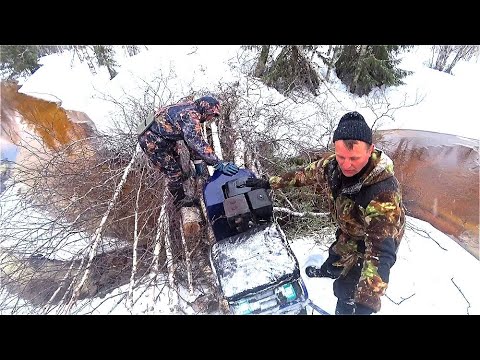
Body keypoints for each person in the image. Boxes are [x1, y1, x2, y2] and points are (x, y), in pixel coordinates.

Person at [243, 111, 405, 315]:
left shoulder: (382, 194)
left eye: (354, 158)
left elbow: (380, 254)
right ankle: (330, 269)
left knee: (348, 287)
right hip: (351, 227)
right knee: (337, 254)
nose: (346, 165)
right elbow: (303, 174)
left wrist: (365, 304)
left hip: (376, 237)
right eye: (341, 156)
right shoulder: (332, 166)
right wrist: (268, 183)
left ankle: (346, 305)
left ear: (370, 150)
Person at [138, 95, 239, 206]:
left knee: (177, 160)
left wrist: (197, 162)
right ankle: (180, 201)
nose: (211, 118)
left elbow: (189, 139)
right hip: (150, 140)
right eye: (211, 115)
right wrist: (218, 163)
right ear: (206, 110)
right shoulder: (190, 116)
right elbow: (196, 142)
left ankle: (182, 179)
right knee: (173, 171)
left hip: (163, 136)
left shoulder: (191, 107)